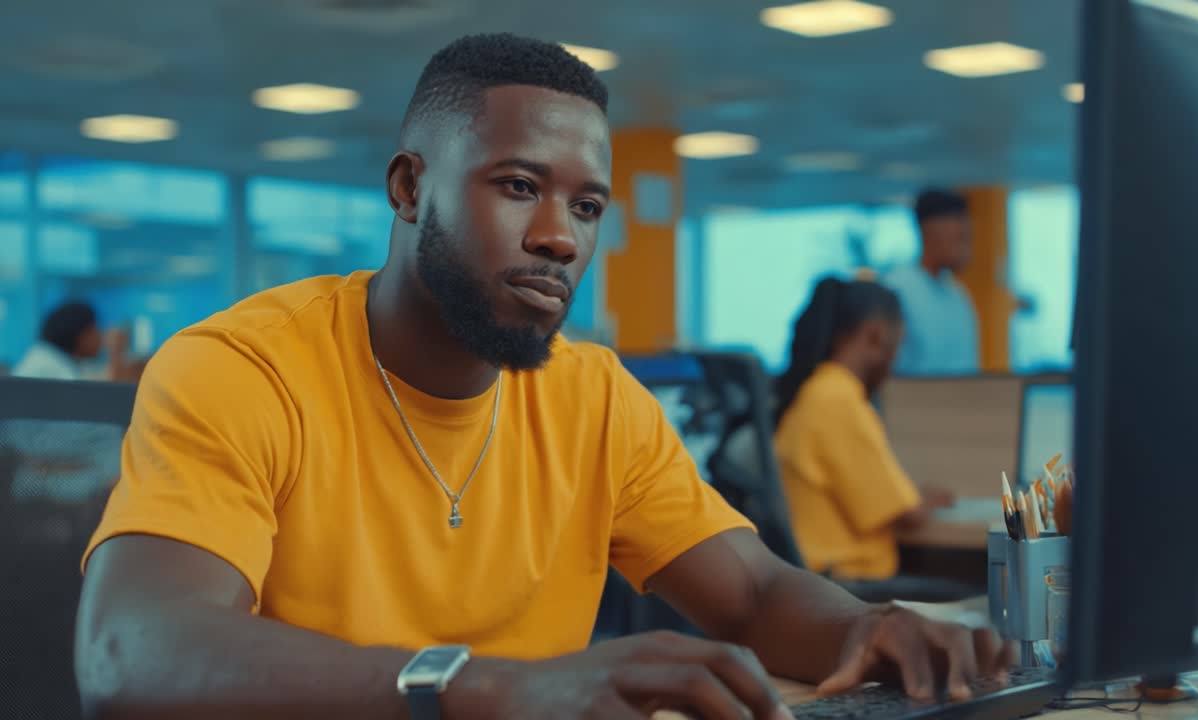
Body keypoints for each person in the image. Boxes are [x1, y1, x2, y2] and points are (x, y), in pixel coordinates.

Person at [75, 35, 1010, 720]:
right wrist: (484, 687)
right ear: (409, 189)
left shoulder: (592, 396)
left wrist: (862, 628)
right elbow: (130, 653)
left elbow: (755, 594)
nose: (561, 238)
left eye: (588, 205)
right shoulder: (245, 367)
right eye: (519, 186)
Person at [773, 278, 955, 581]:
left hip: (828, 582)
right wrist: (929, 502)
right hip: (850, 584)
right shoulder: (838, 399)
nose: (896, 361)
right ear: (876, 335)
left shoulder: (818, 391)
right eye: (898, 344)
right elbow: (907, 515)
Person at [881, 189, 979, 376]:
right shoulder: (896, 290)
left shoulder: (959, 295)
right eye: (959, 239)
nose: (966, 250)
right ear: (929, 231)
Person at [13, 301, 133, 381]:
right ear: (79, 335)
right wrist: (115, 351)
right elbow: (98, 394)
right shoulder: (46, 364)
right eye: (94, 330)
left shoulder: (64, 359)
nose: (100, 336)